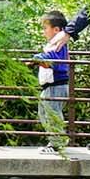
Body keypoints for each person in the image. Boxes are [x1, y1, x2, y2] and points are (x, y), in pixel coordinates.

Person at [34, 10, 76, 150]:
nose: (43, 32)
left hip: (56, 85)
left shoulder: (59, 44)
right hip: (50, 86)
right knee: (44, 113)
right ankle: (54, 141)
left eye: (45, 28)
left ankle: (57, 143)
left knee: (52, 114)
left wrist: (39, 59)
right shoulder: (53, 44)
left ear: (56, 29)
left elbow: (55, 61)